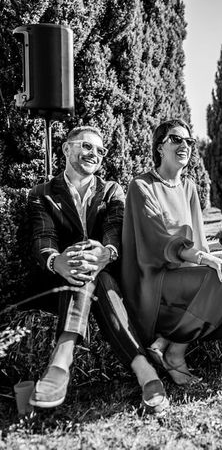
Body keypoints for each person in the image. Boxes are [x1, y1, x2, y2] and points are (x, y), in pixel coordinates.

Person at [26, 126, 168, 412]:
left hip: (106, 279)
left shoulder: (112, 190)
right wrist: (56, 261)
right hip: (58, 285)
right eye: (86, 146)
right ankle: (145, 370)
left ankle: (62, 357)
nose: (95, 154)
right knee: (83, 267)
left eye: (100, 150)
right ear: (66, 149)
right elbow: (43, 238)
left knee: (96, 273)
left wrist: (106, 253)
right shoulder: (42, 193)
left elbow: (115, 229)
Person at [121, 119, 222, 385]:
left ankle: (169, 340)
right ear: (159, 147)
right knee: (219, 280)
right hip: (155, 278)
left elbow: (198, 241)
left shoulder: (189, 187)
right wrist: (204, 259)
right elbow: (158, 241)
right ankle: (176, 354)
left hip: (187, 275)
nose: (184, 145)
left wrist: (218, 257)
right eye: (176, 139)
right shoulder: (140, 186)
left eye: (188, 141)